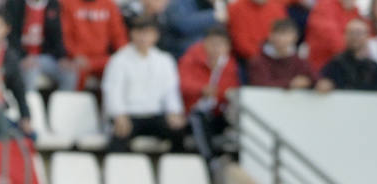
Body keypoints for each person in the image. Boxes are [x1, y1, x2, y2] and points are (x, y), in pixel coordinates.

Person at [102, 16, 186, 154]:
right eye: (139, 32)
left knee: (178, 130)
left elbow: (171, 92)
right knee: (120, 135)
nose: (143, 37)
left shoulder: (165, 60)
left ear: (156, 35)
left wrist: (174, 112)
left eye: (148, 33)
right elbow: (112, 90)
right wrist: (119, 115)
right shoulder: (119, 60)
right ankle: (115, 171)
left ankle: (174, 171)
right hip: (129, 114)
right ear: (132, 34)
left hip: (155, 114)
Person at [178, 26, 239, 161]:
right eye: (212, 43)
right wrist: (201, 89)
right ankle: (209, 160)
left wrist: (217, 93)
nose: (216, 48)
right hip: (192, 111)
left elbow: (231, 90)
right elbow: (182, 84)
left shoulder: (229, 65)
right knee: (198, 118)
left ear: (227, 47)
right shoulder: (192, 58)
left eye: (220, 44)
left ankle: (233, 158)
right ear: (205, 43)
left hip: (218, 111)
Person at [7, 0, 78, 92]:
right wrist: (23, 56)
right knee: (30, 71)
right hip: (20, 57)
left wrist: (62, 57)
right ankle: (28, 104)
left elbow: (57, 35)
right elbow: (11, 36)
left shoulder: (53, 4)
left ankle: (64, 105)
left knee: (69, 72)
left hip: (45, 57)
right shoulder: (15, 3)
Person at [60, 0, 128, 88]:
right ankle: (76, 101)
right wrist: (75, 54)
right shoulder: (67, 3)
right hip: (77, 59)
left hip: (101, 59)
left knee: (119, 68)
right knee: (74, 72)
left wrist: (125, 56)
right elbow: (64, 35)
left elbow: (118, 36)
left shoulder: (109, 4)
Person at [317, 19, 377, 92]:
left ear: (367, 36)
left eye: (358, 33)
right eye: (351, 33)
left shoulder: (375, 69)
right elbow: (319, 82)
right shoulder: (335, 65)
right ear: (345, 36)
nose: (354, 37)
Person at [247, 17, 314, 89]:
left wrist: (318, 84)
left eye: (286, 34)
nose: (281, 38)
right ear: (270, 36)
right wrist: (290, 84)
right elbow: (260, 84)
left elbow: (313, 78)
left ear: (295, 38)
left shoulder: (299, 60)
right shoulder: (258, 61)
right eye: (278, 34)